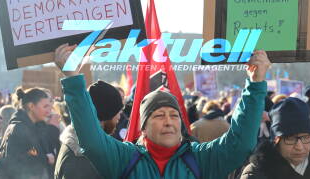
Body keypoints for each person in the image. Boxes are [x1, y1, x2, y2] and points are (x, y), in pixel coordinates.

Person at [55, 44, 269, 178]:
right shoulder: (124, 158)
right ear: (144, 127)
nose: (169, 121)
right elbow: (91, 141)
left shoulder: (201, 159)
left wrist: (255, 83)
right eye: (158, 115)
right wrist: (73, 78)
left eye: (174, 115)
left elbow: (241, 143)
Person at [240, 97, 310, 179]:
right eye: (290, 138)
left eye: (306, 137)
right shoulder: (257, 172)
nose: (299, 147)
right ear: (276, 140)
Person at [55, 80, 123, 179]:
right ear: (107, 113)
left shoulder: (80, 143)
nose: (119, 117)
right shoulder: (82, 155)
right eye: (118, 111)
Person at [0, 88, 53, 179]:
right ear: (31, 106)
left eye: (50, 106)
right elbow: (19, 158)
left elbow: (32, 150)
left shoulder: (33, 125)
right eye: (45, 106)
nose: (49, 110)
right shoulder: (18, 128)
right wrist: (45, 158)